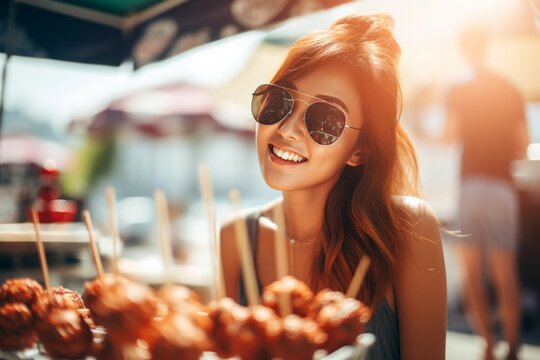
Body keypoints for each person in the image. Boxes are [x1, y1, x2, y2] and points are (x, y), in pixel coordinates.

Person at [220, 13, 447, 360]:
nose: (288, 129)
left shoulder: (406, 228)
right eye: (280, 101)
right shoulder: (235, 237)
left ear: (361, 150)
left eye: (326, 119)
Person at [441, 24, 529, 360]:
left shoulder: (458, 89)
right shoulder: (510, 88)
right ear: (488, 46)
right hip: (503, 188)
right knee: (505, 273)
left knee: (472, 273)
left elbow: (448, 137)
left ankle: (488, 347)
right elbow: (521, 147)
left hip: (472, 186)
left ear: (463, 49)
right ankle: (514, 346)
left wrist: (420, 125)